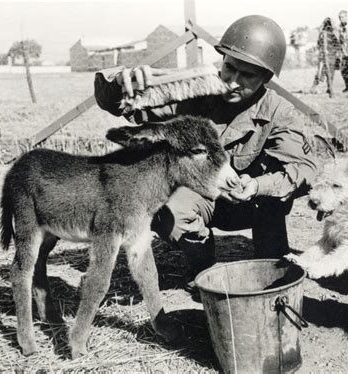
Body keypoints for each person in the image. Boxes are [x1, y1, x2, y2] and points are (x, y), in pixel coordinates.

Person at [94, 15, 318, 286]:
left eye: (247, 75)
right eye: (229, 68)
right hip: (203, 199)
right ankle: (204, 269)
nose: (233, 82)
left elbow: (304, 170)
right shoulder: (196, 92)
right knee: (172, 211)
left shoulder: (279, 112)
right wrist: (121, 81)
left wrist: (257, 185)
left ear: (266, 78)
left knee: (275, 277)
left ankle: (271, 258)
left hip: (252, 205)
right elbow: (122, 106)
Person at [309, 17, 340, 97]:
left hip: (327, 56)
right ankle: (328, 88)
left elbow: (319, 44)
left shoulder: (324, 34)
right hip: (328, 56)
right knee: (326, 73)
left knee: (321, 72)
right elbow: (336, 45)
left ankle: (322, 88)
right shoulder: (331, 34)